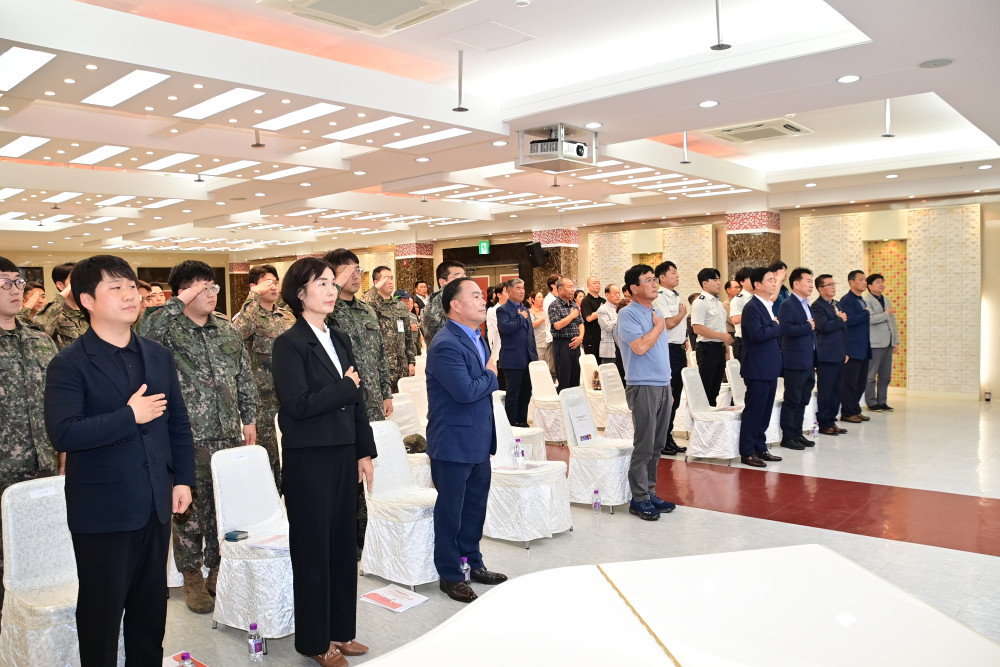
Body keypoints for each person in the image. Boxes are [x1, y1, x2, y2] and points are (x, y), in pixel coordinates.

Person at [44, 255, 195, 667]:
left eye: (131, 286)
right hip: (103, 511)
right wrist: (129, 416)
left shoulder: (157, 355)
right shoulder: (69, 363)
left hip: (155, 502)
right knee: (102, 614)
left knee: (151, 610)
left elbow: (177, 423)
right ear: (87, 300)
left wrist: (183, 478)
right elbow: (64, 433)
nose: (130, 295)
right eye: (116, 287)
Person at [271, 257, 375, 667]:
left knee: (342, 547)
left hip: (343, 454)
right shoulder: (289, 344)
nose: (331, 290)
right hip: (310, 461)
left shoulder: (340, 337)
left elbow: (358, 401)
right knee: (314, 552)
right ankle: (315, 641)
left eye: (333, 283)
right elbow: (297, 405)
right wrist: (345, 387)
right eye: (322, 284)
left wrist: (364, 450)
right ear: (300, 293)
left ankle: (341, 631)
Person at [138, 259, 257, 614]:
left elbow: (243, 375)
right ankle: (191, 575)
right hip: (185, 436)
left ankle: (217, 569)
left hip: (227, 434)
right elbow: (144, 330)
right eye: (203, 288)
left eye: (213, 287)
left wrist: (249, 418)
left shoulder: (226, 328)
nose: (212, 294)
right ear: (184, 292)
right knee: (187, 508)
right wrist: (177, 302)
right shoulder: (168, 329)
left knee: (224, 505)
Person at [426, 277, 507, 603]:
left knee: (474, 508)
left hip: (477, 439)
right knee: (451, 512)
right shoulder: (445, 343)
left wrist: (485, 375)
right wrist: (492, 374)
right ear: (455, 305)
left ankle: (472, 562)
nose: (482, 300)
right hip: (453, 442)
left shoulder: (476, 336)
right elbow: (464, 391)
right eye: (474, 296)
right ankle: (449, 574)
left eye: (482, 295)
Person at [322, 249, 393, 557]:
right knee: (345, 468)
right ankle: (348, 531)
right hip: (341, 403)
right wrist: (334, 285)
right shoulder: (328, 310)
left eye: (358, 270)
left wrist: (386, 391)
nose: (356, 275)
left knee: (369, 464)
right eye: (348, 270)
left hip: (371, 400)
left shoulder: (366, 310)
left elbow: (380, 354)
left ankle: (368, 528)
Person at [0, 258, 60, 618]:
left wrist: (64, 451)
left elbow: (59, 400)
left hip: (42, 464)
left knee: (40, 550)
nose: (14, 289)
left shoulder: (39, 340)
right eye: (4, 283)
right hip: (3, 467)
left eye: (17, 282)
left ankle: (35, 627)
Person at [617, 264, 677, 520]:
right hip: (642, 385)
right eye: (648, 280)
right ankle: (639, 498)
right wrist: (659, 327)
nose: (654, 284)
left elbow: (660, 353)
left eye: (654, 280)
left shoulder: (656, 311)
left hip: (662, 385)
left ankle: (650, 492)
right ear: (633, 288)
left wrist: (667, 385)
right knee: (644, 445)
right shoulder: (627, 314)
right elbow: (640, 348)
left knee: (657, 444)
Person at [233, 264, 295, 488]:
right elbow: (237, 334)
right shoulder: (248, 315)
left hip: (288, 398)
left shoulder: (287, 316)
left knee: (290, 456)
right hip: (262, 403)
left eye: (276, 282)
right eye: (267, 282)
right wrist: (253, 297)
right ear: (254, 286)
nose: (274, 286)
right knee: (267, 460)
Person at [738, 267, 784, 468]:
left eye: (775, 280)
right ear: (757, 284)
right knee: (755, 411)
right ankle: (747, 451)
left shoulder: (767, 305)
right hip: (757, 367)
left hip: (769, 366)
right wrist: (776, 325)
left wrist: (774, 325)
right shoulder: (752, 307)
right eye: (770, 280)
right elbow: (757, 334)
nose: (774, 283)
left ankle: (760, 447)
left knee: (765, 411)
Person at [777, 267, 818, 450]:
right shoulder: (787, 304)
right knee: (792, 399)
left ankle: (797, 433)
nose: (811, 285)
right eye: (808, 281)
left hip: (808, 360)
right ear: (796, 283)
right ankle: (788, 436)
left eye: (812, 281)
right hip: (795, 360)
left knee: (803, 399)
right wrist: (807, 326)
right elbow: (785, 329)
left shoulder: (806, 304)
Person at [652, 261, 688, 455]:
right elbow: (669, 324)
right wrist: (682, 313)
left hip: (679, 349)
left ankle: (668, 435)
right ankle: (661, 439)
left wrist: (686, 339)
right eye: (673, 272)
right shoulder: (659, 297)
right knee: (668, 397)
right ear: (662, 277)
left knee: (677, 396)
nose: (677, 276)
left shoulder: (676, 295)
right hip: (667, 349)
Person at [361, 266, 416, 393]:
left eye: (392, 278)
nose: (391, 282)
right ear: (377, 282)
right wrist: (375, 289)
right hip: (382, 368)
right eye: (386, 279)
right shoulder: (371, 304)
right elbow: (363, 302)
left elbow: (408, 336)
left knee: (403, 402)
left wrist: (411, 361)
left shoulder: (400, 306)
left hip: (402, 366)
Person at [811, 275, 849, 436]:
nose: (833, 287)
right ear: (821, 289)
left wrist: (846, 351)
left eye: (834, 283)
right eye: (829, 284)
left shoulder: (837, 303)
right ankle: (824, 422)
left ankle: (832, 420)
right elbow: (823, 326)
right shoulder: (817, 306)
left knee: (837, 390)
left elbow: (843, 329)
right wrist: (839, 319)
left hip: (839, 353)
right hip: (826, 355)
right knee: (826, 391)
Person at [496, 278, 536, 427]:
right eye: (518, 288)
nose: (522, 291)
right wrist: (520, 317)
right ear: (508, 291)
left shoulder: (525, 309)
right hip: (512, 358)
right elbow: (505, 328)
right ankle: (512, 424)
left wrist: (534, 357)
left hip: (528, 358)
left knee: (526, 392)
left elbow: (530, 335)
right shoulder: (502, 310)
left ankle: (522, 421)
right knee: (513, 394)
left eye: (523, 288)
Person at [690, 268, 732, 405]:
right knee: (706, 389)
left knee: (715, 389)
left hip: (719, 348)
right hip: (707, 349)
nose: (719, 283)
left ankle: (712, 414)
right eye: (715, 279)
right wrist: (721, 336)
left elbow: (721, 327)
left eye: (719, 279)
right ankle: (703, 415)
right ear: (705, 283)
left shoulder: (718, 303)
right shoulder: (700, 302)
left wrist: (726, 348)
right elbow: (697, 328)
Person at [864, 273, 900, 412]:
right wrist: (885, 314)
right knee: (871, 376)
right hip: (875, 343)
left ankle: (882, 401)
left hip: (888, 343)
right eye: (878, 282)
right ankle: (871, 402)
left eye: (882, 282)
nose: (881, 284)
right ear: (870, 285)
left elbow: (892, 322)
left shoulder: (886, 300)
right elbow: (870, 319)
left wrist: (895, 341)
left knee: (885, 375)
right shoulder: (866, 301)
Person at [840, 270, 872, 424]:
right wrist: (866, 314)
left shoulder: (861, 300)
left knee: (860, 382)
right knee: (850, 383)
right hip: (853, 348)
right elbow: (849, 321)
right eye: (861, 279)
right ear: (851, 282)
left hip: (863, 348)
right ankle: (847, 412)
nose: (864, 282)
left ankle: (855, 409)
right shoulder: (846, 300)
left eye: (865, 279)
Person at [35, 263, 89, 350]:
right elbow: (41, 331)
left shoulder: (90, 311)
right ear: (60, 285)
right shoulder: (54, 313)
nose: (81, 284)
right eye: (76, 280)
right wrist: (64, 294)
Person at [548, 277, 584, 392]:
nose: (573, 290)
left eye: (573, 287)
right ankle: (563, 402)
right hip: (562, 344)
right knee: (564, 380)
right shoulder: (554, 305)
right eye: (569, 287)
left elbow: (581, 324)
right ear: (560, 289)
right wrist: (571, 316)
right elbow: (557, 325)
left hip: (576, 343)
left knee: (575, 379)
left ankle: (574, 402)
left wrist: (580, 338)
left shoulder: (574, 305)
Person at [420, 260, 467, 345]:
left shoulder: (459, 298)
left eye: (464, 276)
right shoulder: (438, 302)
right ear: (442, 282)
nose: (464, 280)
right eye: (458, 276)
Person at [485, 281, 508, 391]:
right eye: (507, 291)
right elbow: (504, 329)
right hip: (500, 351)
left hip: (513, 353)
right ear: (499, 294)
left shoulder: (515, 309)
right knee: (503, 386)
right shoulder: (493, 310)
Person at [728, 267, 753, 362]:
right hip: (743, 342)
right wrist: (754, 314)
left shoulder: (757, 297)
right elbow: (735, 319)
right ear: (742, 282)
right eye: (750, 278)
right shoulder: (738, 299)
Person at [580, 276, 605, 359]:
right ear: (588, 286)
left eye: (599, 283)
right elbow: (589, 318)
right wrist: (601, 310)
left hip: (602, 337)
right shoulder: (586, 300)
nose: (597, 285)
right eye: (594, 283)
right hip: (591, 337)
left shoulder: (603, 300)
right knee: (592, 362)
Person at [541, 274, 561, 378]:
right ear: (553, 285)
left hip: (563, 336)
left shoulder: (561, 298)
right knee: (554, 368)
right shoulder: (549, 299)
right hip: (553, 336)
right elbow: (556, 319)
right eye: (560, 281)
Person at [597, 284, 620, 367]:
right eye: (615, 293)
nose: (618, 295)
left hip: (621, 347)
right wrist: (621, 317)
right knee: (609, 373)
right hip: (609, 348)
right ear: (607, 295)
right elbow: (608, 326)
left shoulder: (621, 308)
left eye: (619, 293)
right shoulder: (602, 309)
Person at [396, 289, 422, 355]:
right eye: (405, 300)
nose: (408, 303)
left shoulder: (413, 316)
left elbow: (417, 335)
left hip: (412, 351)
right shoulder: (393, 315)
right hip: (400, 352)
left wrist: (418, 351)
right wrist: (409, 328)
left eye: (408, 300)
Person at [528, 290, 549, 371]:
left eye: (542, 297)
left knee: (548, 366)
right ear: (533, 300)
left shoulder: (544, 310)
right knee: (539, 366)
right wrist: (543, 318)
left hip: (547, 341)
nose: (541, 299)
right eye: (539, 297)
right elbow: (532, 325)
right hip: (538, 343)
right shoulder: (530, 311)